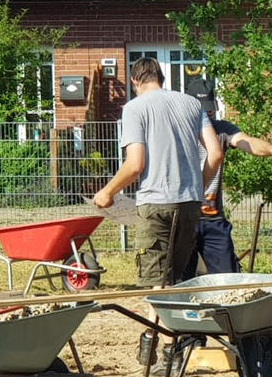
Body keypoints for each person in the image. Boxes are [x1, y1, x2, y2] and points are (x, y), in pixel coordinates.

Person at [92, 56, 223, 287]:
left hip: (156, 204)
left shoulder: (134, 108)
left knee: (157, 283)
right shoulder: (193, 104)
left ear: (135, 81)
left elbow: (135, 165)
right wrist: (199, 187)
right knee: (176, 280)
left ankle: (160, 312)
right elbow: (216, 154)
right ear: (160, 78)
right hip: (190, 203)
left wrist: (107, 192)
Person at [183, 97, 272, 277]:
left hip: (213, 219)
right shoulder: (178, 131)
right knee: (179, 281)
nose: (207, 116)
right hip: (184, 217)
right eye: (203, 112)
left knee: (229, 279)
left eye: (210, 111)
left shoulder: (221, 129)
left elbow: (247, 142)